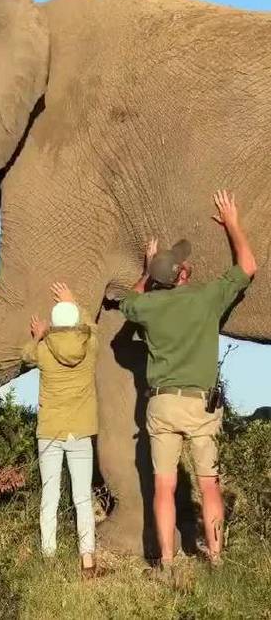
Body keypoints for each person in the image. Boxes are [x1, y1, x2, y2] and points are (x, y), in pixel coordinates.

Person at [110, 191, 256, 573]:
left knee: (163, 487)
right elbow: (248, 266)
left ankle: (169, 561)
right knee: (208, 484)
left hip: (161, 406)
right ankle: (216, 556)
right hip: (199, 404)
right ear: (184, 274)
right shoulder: (207, 298)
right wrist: (233, 223)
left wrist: (147, 269)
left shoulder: (149, 306)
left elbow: (127, 303)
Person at [21, 282, 98, 578]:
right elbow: (91, 325)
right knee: (82, 498)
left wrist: (40, 335)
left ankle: (49, 558)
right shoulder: (90, 346)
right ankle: (88, 561)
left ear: (54, 323)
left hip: (50, 432)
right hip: (80, 431)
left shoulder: (43, 349)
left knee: (49, 496)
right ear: (75, 320)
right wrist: (74, 300)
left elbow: (24, 356)